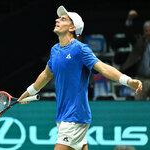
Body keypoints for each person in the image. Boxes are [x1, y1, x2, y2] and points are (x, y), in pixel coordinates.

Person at [18, 6, 142, 150]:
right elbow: (46, 74)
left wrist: (127, 81)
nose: (57, 20)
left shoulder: (80, 49)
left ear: (72, 28)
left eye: (63, 19)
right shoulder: (55, 50)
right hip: (63, 115)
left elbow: (103, 68)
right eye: (59, 18)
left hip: (75, 115)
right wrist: (29, 92)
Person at [120, 9, 150, 100]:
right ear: (144, 32)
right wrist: (129, 20)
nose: (148, 33)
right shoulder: (139, 41)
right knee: (139, 105)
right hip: (141, 80)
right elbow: (129, 34)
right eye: (146, 31)